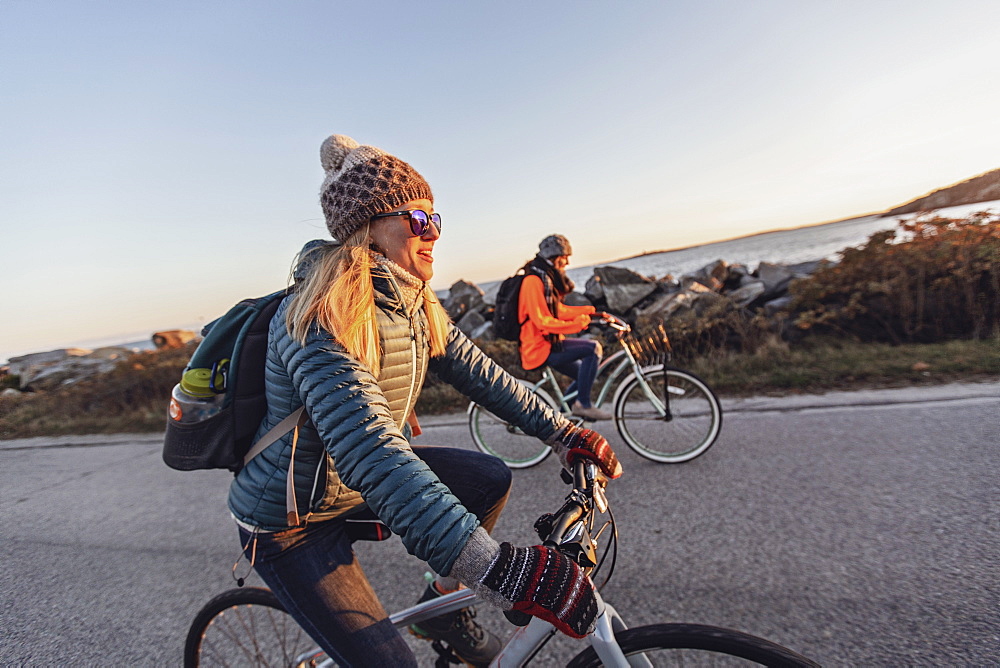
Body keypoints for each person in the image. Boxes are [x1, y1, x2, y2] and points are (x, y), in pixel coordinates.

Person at [227, 134, 623, 668]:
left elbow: (479, 372)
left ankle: (440, 607)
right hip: (291, 521)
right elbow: (373, 451)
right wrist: (498, 570)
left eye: (437, 220)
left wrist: (563, 431)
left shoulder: (412, 301)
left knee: (488, 479)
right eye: (419, 221)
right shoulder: (318, 317)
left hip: (349, 485)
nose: (433, 234)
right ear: (368, 227)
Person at [517, 234, 614, 421]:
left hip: (550, 343)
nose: (568, 262)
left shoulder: (546, 278)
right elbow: (541, 321)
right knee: (593, 348)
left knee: (584, 374)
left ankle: (562, 419)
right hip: (538, 348)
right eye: (565, 257)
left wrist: (591, 312)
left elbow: (557, 310)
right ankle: (583, 405)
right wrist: (575, 325)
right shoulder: (533, 281)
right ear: (554, 257)